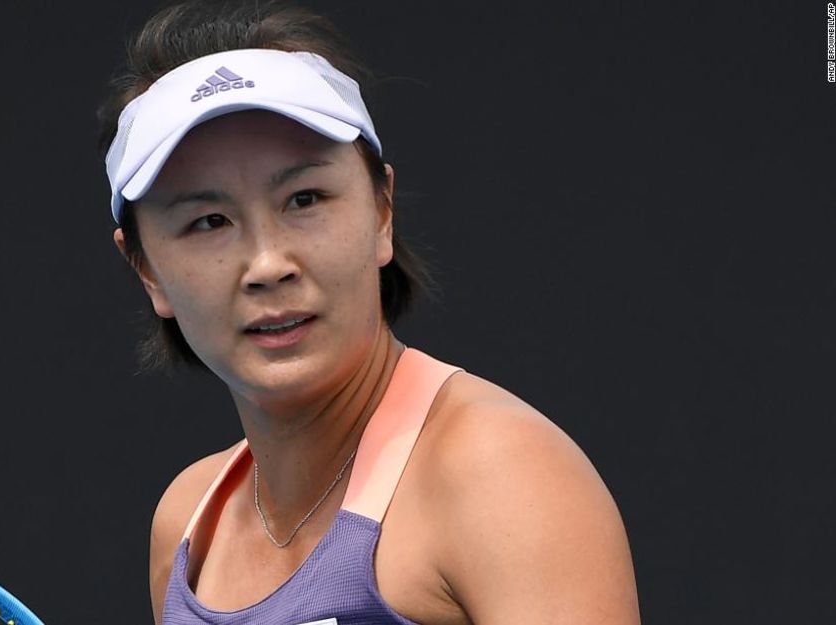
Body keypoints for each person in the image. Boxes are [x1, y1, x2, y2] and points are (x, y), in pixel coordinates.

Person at [98, 2, 640, 623]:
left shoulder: (500, 474)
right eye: (208, 222)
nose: (269, 263)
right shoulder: (188, 524)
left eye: (305, 198)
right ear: (146, 271)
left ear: (382, 212)